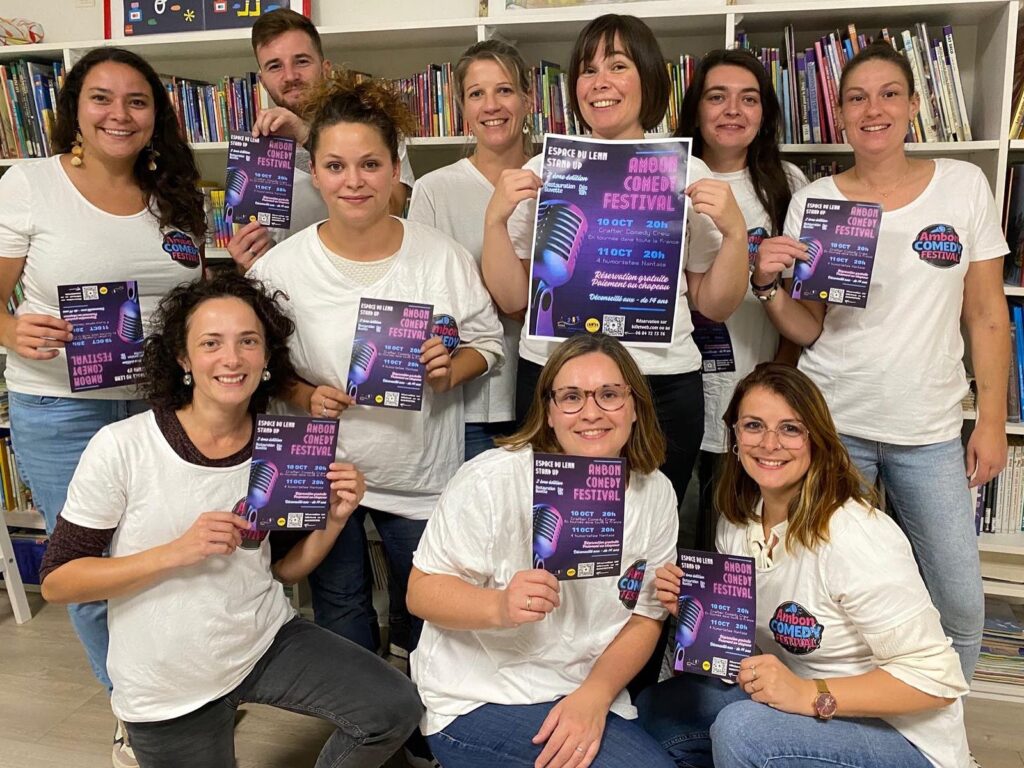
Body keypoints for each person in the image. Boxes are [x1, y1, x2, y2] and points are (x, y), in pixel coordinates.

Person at [37, 272, 422, 768]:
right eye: (211, 343)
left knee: (394, 707)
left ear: (267, 358)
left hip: (264, 639)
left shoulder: (281, 444)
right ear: (183, 358)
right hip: (166, 680)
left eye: (248, 341)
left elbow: (284, 571)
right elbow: (58, 582)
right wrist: (175, 552)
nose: (232, 358)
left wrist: (333, 519)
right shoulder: (123, 446)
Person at [751, 41, 1009, 681]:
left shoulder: (962, 185)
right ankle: (841, 718)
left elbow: (986, 314)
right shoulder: (816, 201)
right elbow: (808, 327)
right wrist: (767, 285)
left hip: (929, 433)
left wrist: (992, 421)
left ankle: (939, 724)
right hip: (833, 427)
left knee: (959, 603)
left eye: (890, 94)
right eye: (858, 98)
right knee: (832, 597)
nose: (874, 110)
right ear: (840, 113)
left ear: (914, 104)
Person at [246, 72, 504, 661]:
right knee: (339, 602)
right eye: (335, 166)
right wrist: (303, 393)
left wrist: (450, 369)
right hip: (320, 468)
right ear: (315, 173)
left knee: (424, 602)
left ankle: (417, 705)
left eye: (370, 165)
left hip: (418, 470)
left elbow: (487, 343)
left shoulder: (439, 256)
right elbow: (258, 366)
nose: (354, 181)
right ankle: (365, 708)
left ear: (394, 171)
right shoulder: (279, 270)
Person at [0, 46, 206, 768]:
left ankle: (178, 691)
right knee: (84, 566)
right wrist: (9, 329)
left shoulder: (175, 190)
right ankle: (134, 712)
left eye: (137, 100)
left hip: (164, 407)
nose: (120, 114)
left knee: (166, 558)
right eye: (101, 98)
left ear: (156, 114)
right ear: (75, 111)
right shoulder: (30, 183)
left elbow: (190, 298)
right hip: (63, 408)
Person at [637, 363, 971, 768]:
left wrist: (808, 694)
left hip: (901, 737)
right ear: (735, 437)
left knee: (742, 732)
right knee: (659, 709)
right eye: (754, 426)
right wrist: (702, 615)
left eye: (790, 429)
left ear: (817, 439)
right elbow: (756, 653)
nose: (770, 443)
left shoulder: (856, 536)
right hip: (803, 706)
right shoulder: (737, 525)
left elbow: (936, 680)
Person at [480, 14, 749, 513]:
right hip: (555, 378)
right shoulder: (543, 172)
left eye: (618, 65)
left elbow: (713, 305)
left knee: (651, 529)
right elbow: (515, 300)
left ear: (648, 78)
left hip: (660, 382)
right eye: (588, 70)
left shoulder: (687, 172)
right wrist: (494, 222)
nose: (599, 82)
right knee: (564, 528)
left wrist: (735, 234)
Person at [408, 333, 679, 768]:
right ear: (549, 412)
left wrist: (594, 696)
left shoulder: (656, 491)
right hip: (479, 695)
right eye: (571, 397)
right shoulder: (491, 479)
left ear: (634, 406)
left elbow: (646, 617)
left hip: (583, 689)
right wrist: (499, 606)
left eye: (609, 394)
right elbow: (421, 592)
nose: (591, 412)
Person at [673, 48, 808, 550]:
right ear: (696, 109)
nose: (733, 110)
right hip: (675, 390)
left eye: (748, 99)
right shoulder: (667, 174)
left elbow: (802, 298)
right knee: (675, 534)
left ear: (765, 113)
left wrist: (781, 376)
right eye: (717, 97)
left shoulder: (788, 185)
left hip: (755, 391)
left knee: (738, 538)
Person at [408, 39, 532, 459]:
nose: (491, 105)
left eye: (505, 90)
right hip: (467, 404)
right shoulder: (434, 190)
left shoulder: (558, 180)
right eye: (477, 93)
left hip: (546, 392)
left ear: (528, 100)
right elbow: (421, 295)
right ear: (462, 107)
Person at [228, 7, 416, 270]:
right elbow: (251, 253)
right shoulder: (255, 150)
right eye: (275, 66)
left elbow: (391, 209)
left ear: (326, 68)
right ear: (262, 79)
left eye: (302, 61)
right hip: (287, 285)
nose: (290, 76)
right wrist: (246, 260)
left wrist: (306, 135)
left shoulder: (373, 127)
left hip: (365, 277)